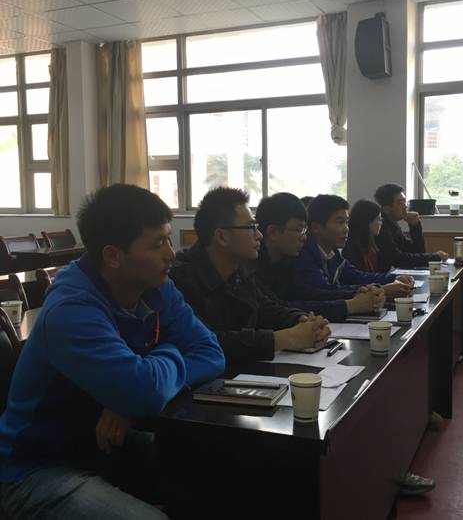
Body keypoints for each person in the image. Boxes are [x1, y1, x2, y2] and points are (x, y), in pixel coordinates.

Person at [0, 184, 225, 520]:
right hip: (36, 467)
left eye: (168, 239)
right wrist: (166, 354)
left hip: (103, 443)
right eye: (158, 244)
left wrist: (129, 401)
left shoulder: (157, 287)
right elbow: (144, 391)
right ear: (113, 256)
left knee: (225, 470)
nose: (171, 254)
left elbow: (211, 352)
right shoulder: (72, 311)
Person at [169, 187, 330, 363]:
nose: (259, 235)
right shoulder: (181, 279)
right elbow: (209, 341)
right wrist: (284, 338)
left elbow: (265, 308)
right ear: (222, 236)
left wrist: (302, 320)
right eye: (251, 227)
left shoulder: (240, 270)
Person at [255, 192, 386, 321]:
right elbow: (280, 308)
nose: (304, 237)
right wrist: (349, 305)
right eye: (298, 230)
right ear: (273, 232)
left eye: (304, 230)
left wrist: (358, 293)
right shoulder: (254, 269)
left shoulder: (286, 260)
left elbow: (310, 294)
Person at [293, 194, 414, 299]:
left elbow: (356, 276)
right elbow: (327, 291)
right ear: (316, 227)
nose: (346, 229)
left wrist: (394, 278)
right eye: (340, 222)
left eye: (346, 222)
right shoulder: (304, 254)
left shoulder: (333, 252)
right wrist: (381, 289)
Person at [374, 183, 449, 271]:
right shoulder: (380, 227)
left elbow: (417, 251)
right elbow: (398, 259)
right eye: (400, 202)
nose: (405, 206)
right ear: (387, 209)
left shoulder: (393, 225)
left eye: (405, 201)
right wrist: (435, 257)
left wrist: (415, 226)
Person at [342, 199, 385, 271]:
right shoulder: (352, 249)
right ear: (368, 221)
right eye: (379, 219)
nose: (381, 223)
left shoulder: (370, 242)